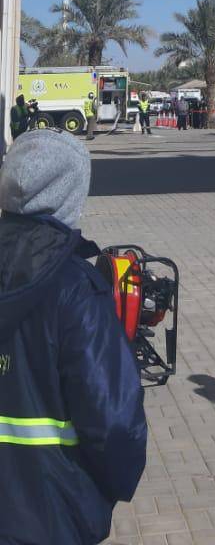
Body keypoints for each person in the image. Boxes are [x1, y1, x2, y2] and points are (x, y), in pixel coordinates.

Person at [0, 129, 147, 544]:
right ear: (70, 196)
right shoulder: (77, 292)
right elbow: (114, 422)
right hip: (51, 514)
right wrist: (110, 486)